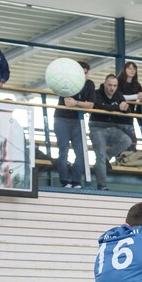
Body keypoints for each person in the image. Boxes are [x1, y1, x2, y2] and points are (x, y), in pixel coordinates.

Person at [54, 60, 94, 189]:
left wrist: (76, 103)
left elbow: (91, 105)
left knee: (81, 152)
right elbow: (67, 103)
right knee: (63, 151)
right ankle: (65, 181)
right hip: (62, 119)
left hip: (78, 121)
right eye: (82, 73)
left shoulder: (89, 84)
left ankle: (76, 181)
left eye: (86, 73)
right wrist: (81, 104)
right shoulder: (67, 81)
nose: (84, 75)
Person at [90, 73, 132, 191]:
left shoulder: (119, 95)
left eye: (115, 85)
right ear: (104, 84)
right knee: (100, 155)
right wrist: (118, 108)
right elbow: (100, 107)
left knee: (127, 141)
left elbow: (127, 110)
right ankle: (102, 186)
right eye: (110, 85)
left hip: (112, 128)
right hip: (97, 127)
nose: (112, 88)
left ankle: (106, 157)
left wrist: (125, 107)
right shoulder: (96, 93)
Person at [117, 61, 142, 147]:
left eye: (134, 69)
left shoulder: (137, 84)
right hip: (119, 114)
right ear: (125, 70)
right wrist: (136, 96)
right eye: (129, 68)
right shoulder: (119, 82)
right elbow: (118, 96)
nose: (132, 70)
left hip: (130, 114)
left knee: (132, 140)